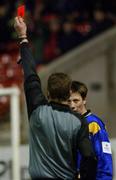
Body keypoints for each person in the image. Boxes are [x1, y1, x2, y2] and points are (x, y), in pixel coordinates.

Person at [14, 16, 97, 180]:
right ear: (68, 94)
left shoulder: (37, 110)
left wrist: (23, 37)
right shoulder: (79, 121)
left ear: (48, 94)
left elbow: (31, 74)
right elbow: (89, 157)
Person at [68, 80, 113, 180]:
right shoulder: (66, 124)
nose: (72, 106)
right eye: (68, 101)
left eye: (76, 101)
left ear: (84, 100)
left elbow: (104, 159)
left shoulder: (94, 124)